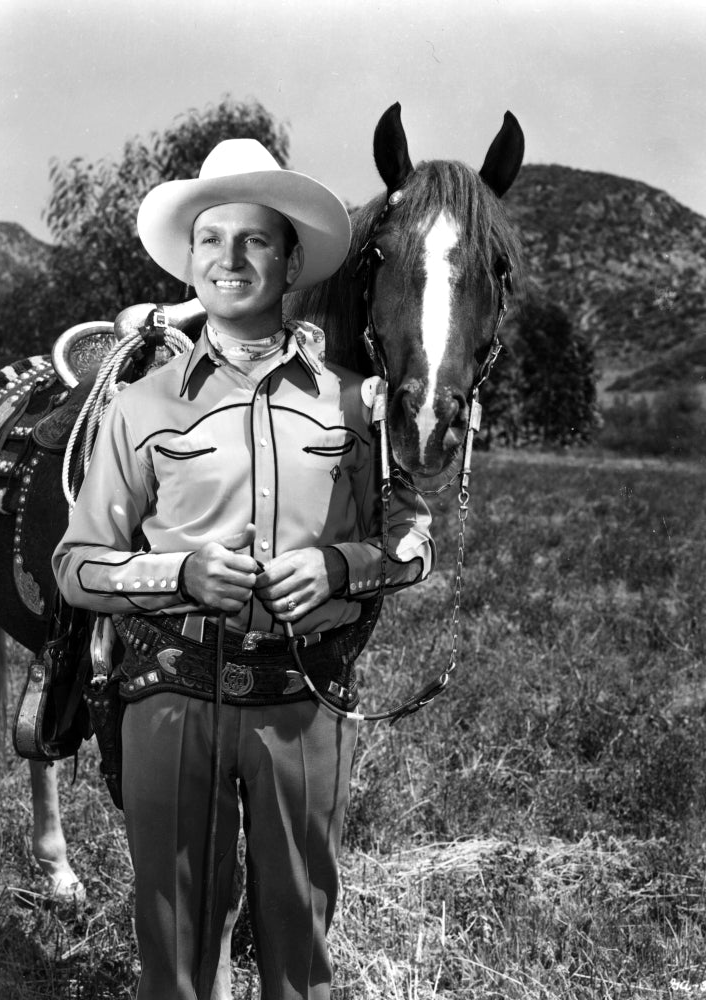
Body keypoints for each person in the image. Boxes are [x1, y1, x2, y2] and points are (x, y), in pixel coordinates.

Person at [52, 138, 435, 1000]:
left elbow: (413, 533)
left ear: (292, 259)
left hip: (304, 700)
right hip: (170, 694)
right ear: (189, 259)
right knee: (175, 938)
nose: (231, 259)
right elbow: (77, 565)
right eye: (211, 238)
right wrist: (177, 577)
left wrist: (340, 568)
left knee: (299, 939)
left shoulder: (352, 400)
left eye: (256, 239)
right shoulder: (138, 406)